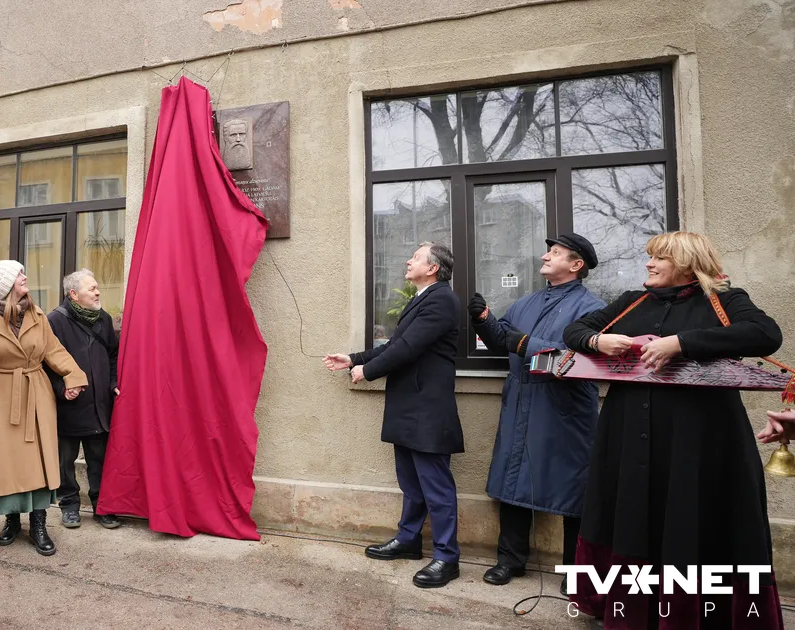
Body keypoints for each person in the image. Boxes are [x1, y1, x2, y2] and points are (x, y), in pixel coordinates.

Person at [563, 231, 784, 628]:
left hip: (699, 440)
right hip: (628, 435)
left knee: (689, 517)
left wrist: (680, 342)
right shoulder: (631, 301)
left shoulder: (725, 299)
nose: (649, 264)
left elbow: (765, 334)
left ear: (686, 263)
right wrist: (598, 340)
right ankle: (634, 612)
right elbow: (574, 332)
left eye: (659, 258)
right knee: (633, 517)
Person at [323, 242, 464, 589]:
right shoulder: (422, 299)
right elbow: (395, 344)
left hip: (427, 408)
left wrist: (367, 371)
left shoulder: (442, 300)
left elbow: (407, 348)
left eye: (415, 257)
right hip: (409, 405)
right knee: (411, 483)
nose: (408, 261)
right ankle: (409, 539)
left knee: (436, 487)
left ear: (432, 268)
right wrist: (354, 359)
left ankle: (447, 557)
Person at [468, 234, 605, 586]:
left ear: (576, 265)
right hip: (520, 401)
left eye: (555, 253)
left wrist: (525, 344)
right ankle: (510, 561)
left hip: (564, 408)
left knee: (575, 489)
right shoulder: (527, 302)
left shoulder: (592, 309)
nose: (545, 256)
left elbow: (577, 361)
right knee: (513, 480)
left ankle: (576, 573)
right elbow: (502, 340)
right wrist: (483, 319)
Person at [0, 260, 87, 556]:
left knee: (37, 459)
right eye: (18, 274)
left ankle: (38, 523)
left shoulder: (36, 314)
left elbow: (54, 350)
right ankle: (11, 520)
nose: (24, 276)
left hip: (35, 392)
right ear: (5, 284)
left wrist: (73, 376)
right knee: (6, 461)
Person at [46, 269, 121, 530]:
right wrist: (61, 389)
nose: (98, 292)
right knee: (65, 462)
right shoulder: (55, 320)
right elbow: (45, 363)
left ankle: (103, 506)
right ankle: (69, 506)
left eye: (97, 287)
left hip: (100, 405)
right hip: (69, 407)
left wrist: (113, 384)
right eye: (92, 289)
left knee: (99, 460)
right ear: (74, 294)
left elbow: (113, 354)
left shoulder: (104, 319)